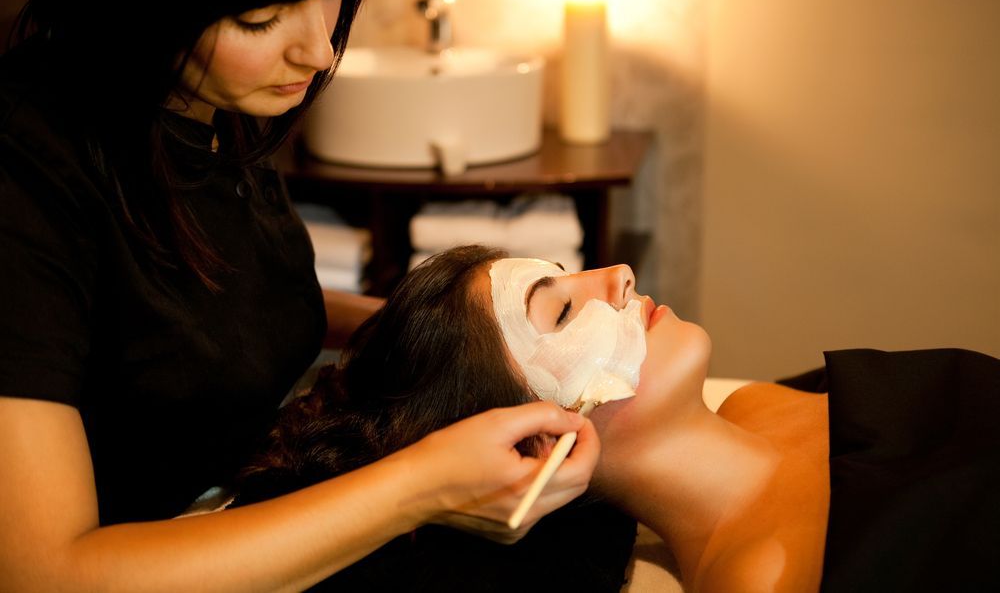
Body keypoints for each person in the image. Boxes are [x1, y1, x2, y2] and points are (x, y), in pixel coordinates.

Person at [0, 0, 599, 590]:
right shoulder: (27, 171)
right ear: (128, 0)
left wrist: (447, 330)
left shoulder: (204, 106)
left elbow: (213, 307)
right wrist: (421, 484)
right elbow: (42, 572)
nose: (318, 49)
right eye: (258, 18)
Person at [237, 245, 1000, 592]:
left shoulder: (761, 400)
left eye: (571, 276)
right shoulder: (766, 576)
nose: (620, 273)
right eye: (563, 309)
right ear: (538, 439)